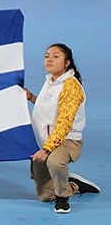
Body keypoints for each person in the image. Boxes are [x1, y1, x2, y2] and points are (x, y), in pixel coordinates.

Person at [24, 44, 101, 214]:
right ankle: (73, 185)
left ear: (67, 63)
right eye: (47, 56)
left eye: (56, 56)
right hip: (49, 142)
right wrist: (31, 97)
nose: (49, 59)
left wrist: (47, 150)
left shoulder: (71, 87)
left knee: (54, 160)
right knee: (45, 196)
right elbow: (48, 110)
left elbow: (64, 122)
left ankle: (63, 198)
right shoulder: (50, 82)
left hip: (68, 142)